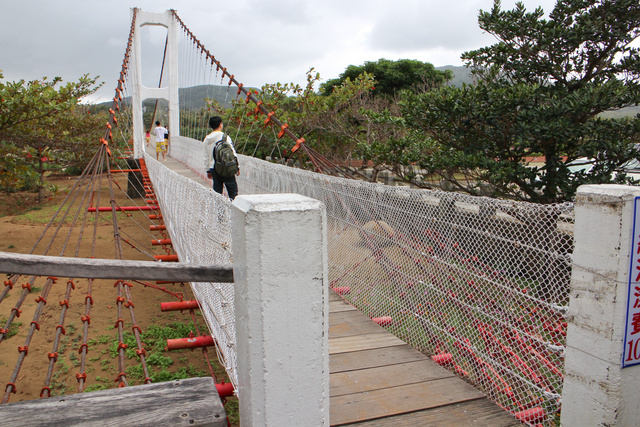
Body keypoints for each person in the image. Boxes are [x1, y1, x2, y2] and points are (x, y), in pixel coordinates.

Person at [203, 116, 239, 200]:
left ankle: (219, 211)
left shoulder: (207, 139)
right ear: (220, 125)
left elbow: (206, 156)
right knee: (232, 191)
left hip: (214, 168)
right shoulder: (225, 137)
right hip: (227, 167)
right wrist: (237, 166)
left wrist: (207, 170)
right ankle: (234, 210)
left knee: (217, 192)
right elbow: (232, 152)